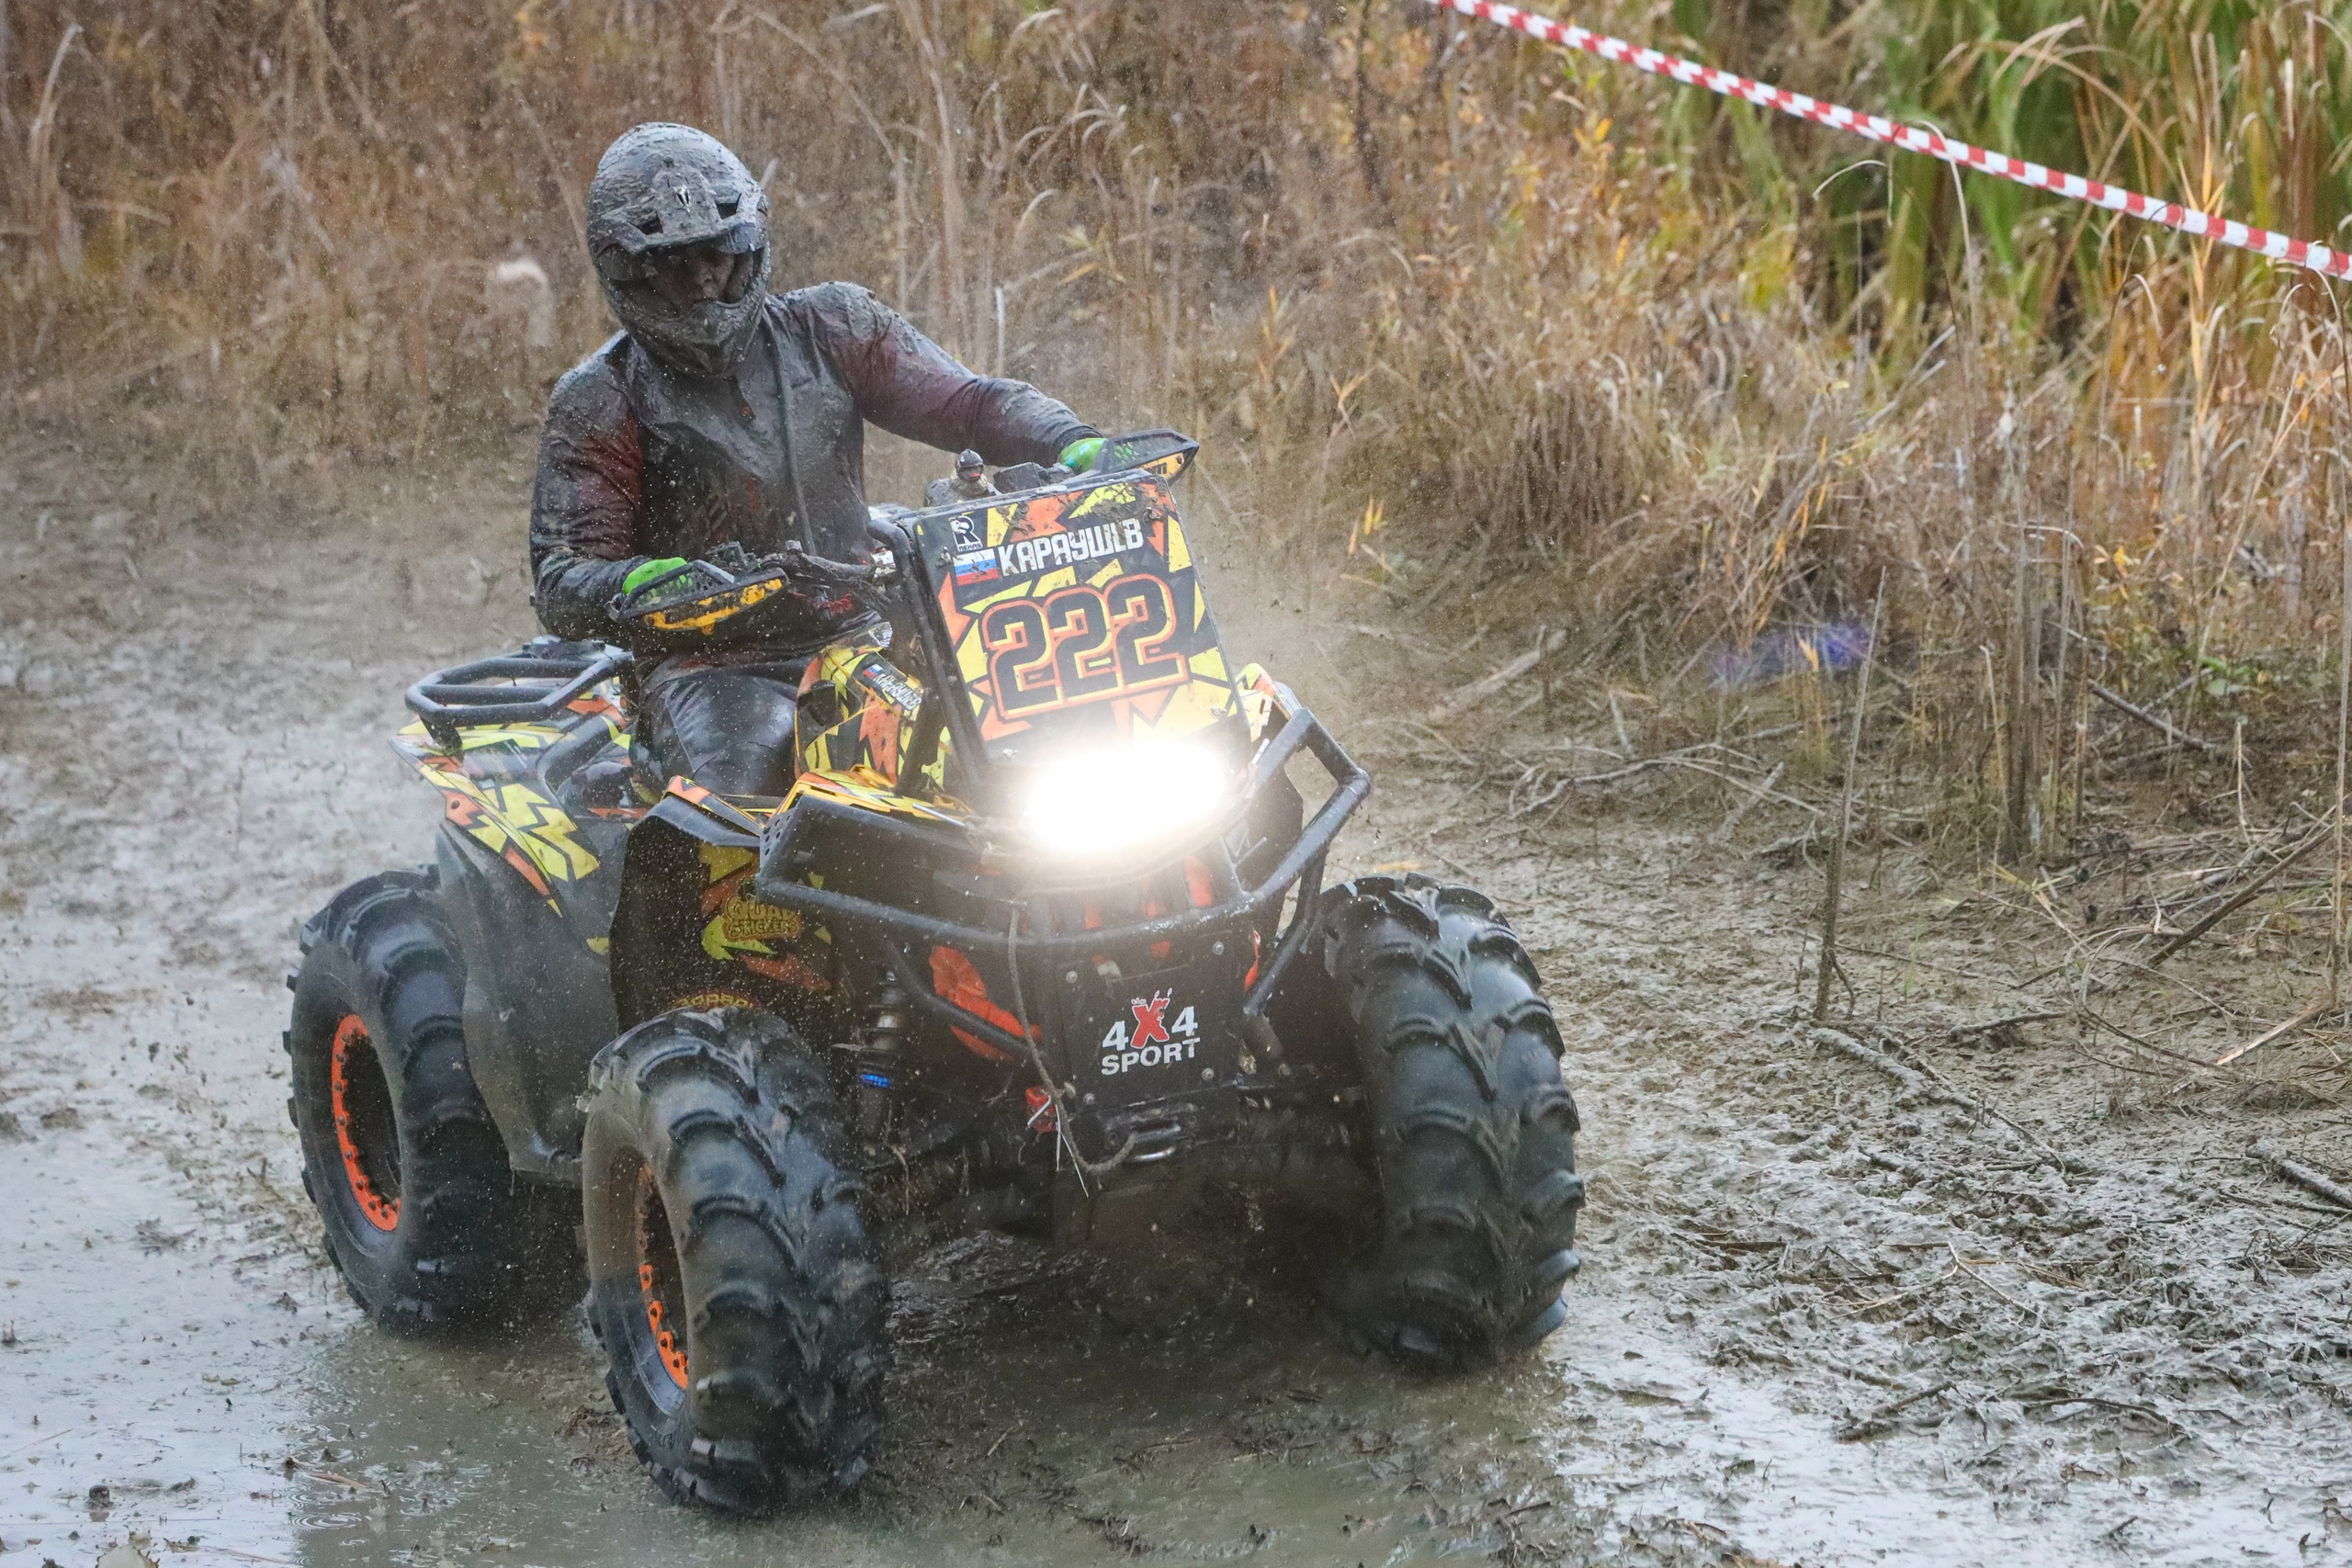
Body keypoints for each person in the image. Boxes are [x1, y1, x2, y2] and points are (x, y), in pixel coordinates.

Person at [529, 122, 1103, 795]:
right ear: (628, 270)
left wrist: (1073, 440)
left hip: (864, 632)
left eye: (719, 250)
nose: (706, 277)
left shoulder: (832, 326)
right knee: (736, 812)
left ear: (751, 243)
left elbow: (969, 403)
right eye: (675, 262)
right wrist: (655, 582)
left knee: (1014, 745)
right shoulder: (600, 397)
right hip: (712, 669)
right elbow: (564, 576)